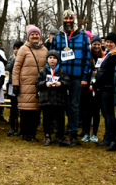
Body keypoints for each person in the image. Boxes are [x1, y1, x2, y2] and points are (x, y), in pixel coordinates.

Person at [51, 10, 91, 146]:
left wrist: (85, 77)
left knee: (74, 106)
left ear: (74, 20)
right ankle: (59, 134)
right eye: (66, 18)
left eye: (70, 18)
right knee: (59, 106)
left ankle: (73, 134)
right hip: (61, 77)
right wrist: (53, 75)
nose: (68, 20)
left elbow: (87, 58)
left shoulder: (83, 36)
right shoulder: (57, 37)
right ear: (62, 20)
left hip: (76, 76)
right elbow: (52, 57)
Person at [13, 26, 48, 141]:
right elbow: (16, 67)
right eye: (32, 34)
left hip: (39, 85)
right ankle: (25, 133)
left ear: (40, 36)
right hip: (26, 85)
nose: (34, 36)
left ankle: (32, 133)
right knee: (26, 110)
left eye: (36, 34)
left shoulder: (45, 50)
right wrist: (15, 84)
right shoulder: (23, 49)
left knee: (36, 111)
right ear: (28, 36)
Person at [36, 50, 71, 147]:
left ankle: (61, 137)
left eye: (54, 58)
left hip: (59, 100)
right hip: (46, 100)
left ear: (57, 60)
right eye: (50, 58)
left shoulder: (62, 72)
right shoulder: (43, 72)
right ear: (47, 60)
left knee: (60, 119)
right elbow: (37, 83)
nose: (52, 60)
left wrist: (61, 83)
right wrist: (45, 84)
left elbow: (68, 83)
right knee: (46, 119)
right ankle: (47, 136)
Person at [95, 32, 116, 150]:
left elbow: (107, 73)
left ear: (115, 43)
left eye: (111, 42)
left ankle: (110, 138)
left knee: (109, 114)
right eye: (107, 42)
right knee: (106, 114)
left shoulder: (115, 55)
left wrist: (96, 84)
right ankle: (107, 136)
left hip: (108, 87)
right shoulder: (107, 54)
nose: (108, 44)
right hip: (104, 87)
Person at [79, 35, 103, 142]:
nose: (96, 46)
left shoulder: (103, 57)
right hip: (86, 88)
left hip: (98, 88)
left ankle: (95, 134)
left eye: (98, 44)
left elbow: (100, 73)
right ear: (91, 45)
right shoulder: (88, 57)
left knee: (96, 112)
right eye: (94, 44)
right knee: (86, 112)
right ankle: (86, 132)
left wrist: (95, 84)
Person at [6, 40, 24, 136]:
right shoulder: (11, 58)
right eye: (15, 49)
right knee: (13, 107)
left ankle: (22, 128)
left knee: (21, 107)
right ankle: (12, 127)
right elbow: (9, 67)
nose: (16, 50)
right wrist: (15, 59)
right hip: (12, 84)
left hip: (22, 85)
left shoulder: (25, 57)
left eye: (18, 48)